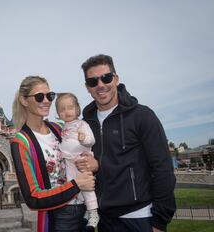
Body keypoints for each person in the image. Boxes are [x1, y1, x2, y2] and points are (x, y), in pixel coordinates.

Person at [78, 54, 176, 232]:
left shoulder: (142, 116)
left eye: (106, 78)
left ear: (116, 79)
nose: (100, 85)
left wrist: (160, 221)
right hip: (105, 220)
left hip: (140, 217)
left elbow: (163, 169)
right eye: (93, 82)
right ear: (87, 87)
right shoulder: (84, 125)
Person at [11, 76, 95, 232]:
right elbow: (33, 198)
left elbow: (83, 149)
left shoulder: (59, 128)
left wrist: (92, 163)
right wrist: (76, 185)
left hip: (85, 207)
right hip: (60, 215)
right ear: (24, 100)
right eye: (39, 96)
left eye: (50, 96)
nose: (47, 101)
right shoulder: (21, 142)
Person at [55, 92, 99, 229]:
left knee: (86, 186)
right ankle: (86, 207)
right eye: (62, 109)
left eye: (70, 107)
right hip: (69, 161)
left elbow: (92, 140)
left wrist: (83, 139)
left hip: (81, 159)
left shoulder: (81, 124)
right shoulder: (64, 127)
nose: (66, 111)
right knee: (73, 185)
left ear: (77, 109)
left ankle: (93, 212)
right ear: (58, 113)